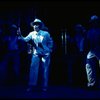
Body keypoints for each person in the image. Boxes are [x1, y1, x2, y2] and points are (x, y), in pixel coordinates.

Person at [17, 18, 53, 92]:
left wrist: (49, 50)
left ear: (39, 25)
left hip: (45, 53)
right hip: (36, 53)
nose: (35, 26)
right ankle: (31, 85)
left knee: (45, 69)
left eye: (36, 24)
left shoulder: (45, 33)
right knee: (33, 68)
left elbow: (50, 42)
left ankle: (44, 86)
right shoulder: (31, 33)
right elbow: (25, 40)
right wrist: (20, 35)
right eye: (34, 24)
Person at [85, 15, 100, 89]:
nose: (93, 23)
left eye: (95, 21)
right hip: (92, 50)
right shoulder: (90, 31)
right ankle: (91, 83)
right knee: (89, 65)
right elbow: (87, 42)